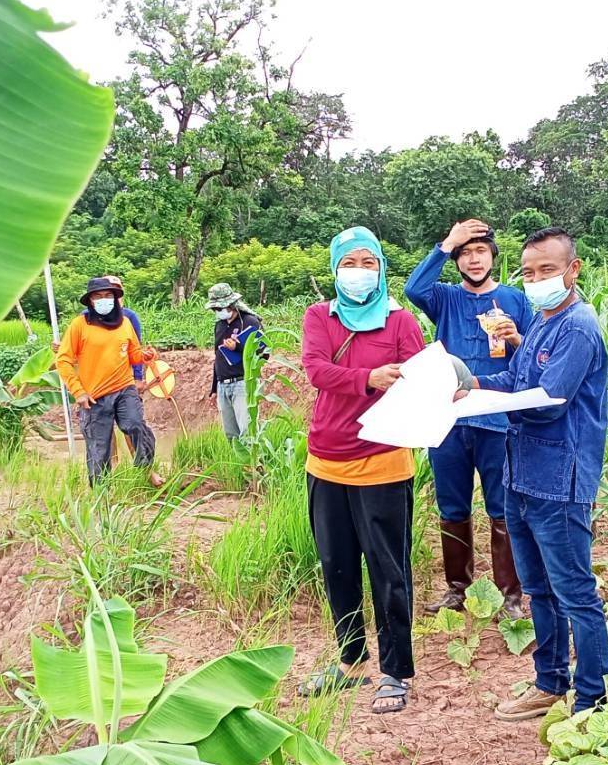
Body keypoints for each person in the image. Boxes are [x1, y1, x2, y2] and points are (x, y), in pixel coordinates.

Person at [456, 227, 608, 721]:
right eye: (528, 272)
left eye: (548, 270)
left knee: (575, 591)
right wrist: (471, 385)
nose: (537, 279)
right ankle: (549, 682)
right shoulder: (542, 322)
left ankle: (591, 698)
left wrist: (492, 403)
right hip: (520, 476)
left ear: (573, 270)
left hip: (559, 482)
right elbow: (518, 380)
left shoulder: (579, 327)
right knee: (538, 589)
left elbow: (547, 403)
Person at [298, 226, 426, 715]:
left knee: (389, 571)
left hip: (383, 462)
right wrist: (369, 378)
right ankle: (351, 661)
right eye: (348, 263)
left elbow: (420, 381)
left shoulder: (400, 322)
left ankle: (396, 671)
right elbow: (315, 370)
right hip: (326, 460)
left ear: (381, 267)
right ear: (334, 269)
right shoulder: (319, 317)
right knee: (337, 567)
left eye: (367, 262)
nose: (358, 273)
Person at [404, 219, 533, 619]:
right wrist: (447, 243)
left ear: (493, 256)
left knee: (502, 507)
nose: (473, 259)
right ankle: (457, 590)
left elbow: (532, 356)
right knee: (452, 506)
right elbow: (413, 290)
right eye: (465, 253)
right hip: (450, 419)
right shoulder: (445, 299)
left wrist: (514, 338)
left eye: (480, 251)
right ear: (457, 260)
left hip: (498, 418)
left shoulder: (515, 300)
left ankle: (509, 595)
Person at [55, 277, 164, 488]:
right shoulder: (80, 325)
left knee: (135, 425)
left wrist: (145, 356)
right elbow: (64, 360)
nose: (104, 300)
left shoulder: (124, 323)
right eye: (98, 297)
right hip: (94, 397)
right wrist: (78, 392)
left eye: (108, 296)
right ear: (90, 302)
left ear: (115, 299)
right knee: (99, 447)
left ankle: (144, 468)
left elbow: (132, 353)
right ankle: (101, 495)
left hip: (124, 388)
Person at [205, 282, 269, 440]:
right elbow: (218, 356)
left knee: (247, 431)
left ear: (230, 305)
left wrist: (238, 347)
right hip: (223, 385)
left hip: (243, 383)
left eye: (219, 309)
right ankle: (238, 464)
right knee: (231, 434)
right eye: (215, 309)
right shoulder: (219, 326)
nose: (217, 312)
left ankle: (255, 464)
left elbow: (265, 352)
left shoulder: (250, 322)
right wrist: (214, 387)